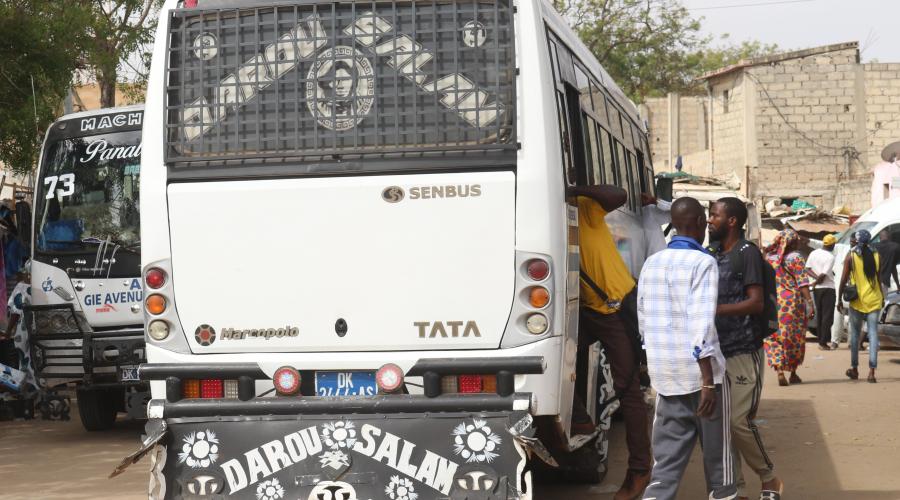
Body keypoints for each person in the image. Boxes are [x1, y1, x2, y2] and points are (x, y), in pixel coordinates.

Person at [638, 197, 735, 500]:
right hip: (704, 379)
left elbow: (643, 321)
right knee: (720, 466)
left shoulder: (651, 263)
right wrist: (707, 381)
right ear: (697, 224)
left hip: (666, 376)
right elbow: (702, 324)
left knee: (665, 466)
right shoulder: (703, 262)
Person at [569, 184, 651, 500]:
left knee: (627, 389)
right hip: (585, 309)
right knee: (552, 362)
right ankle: (581, 420)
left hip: (616, 307)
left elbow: (618, 195)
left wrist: (571, 188)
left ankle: (640, 469)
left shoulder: (583, 206)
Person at [708, 197, 784, 500]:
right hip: (715, 352)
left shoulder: (746, 253)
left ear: (732, 221)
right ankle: (735, 489)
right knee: (721, 426)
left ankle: (769, 477)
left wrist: (715, 309)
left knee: (738, 421)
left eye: (714, 215)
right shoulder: (713, 253)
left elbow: (756, 302)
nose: (710, 220)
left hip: (743, 350)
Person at [763, 229, 813, 387]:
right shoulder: (796, 257)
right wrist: (810, 303)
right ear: (792, 242)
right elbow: (802, 282)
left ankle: (779, 369)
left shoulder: (769, 258)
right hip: (792, 303)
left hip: (773, 301)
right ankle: (792, 372)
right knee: (793, 337)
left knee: (774, 336)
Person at [838, 229, 883, 383]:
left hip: (857, 301)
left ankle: (855, 369)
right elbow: (879, 278)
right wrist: (882, 298)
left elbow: (843, 280)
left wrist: (838, 299)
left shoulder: (851, 256)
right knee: (873, 334)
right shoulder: (877, 255)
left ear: (857, 241)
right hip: (874, 299)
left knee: (856, 335)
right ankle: (871, 372)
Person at [806, 234, 838, 350]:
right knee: (827, 316)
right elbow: (823, 277)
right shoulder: (830, 257)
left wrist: (814, 280)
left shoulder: (814, 253)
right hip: (828, 288)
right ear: (833, 244)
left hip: (817, 290)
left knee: (820, 315)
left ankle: (821, 340)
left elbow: (807, 269)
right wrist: (816, 281)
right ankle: (823, 342)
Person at [873, 229, 900, 295]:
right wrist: (898, 285)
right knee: (882, 302)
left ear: (879, 237)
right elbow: (893, 269)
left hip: (872, 281)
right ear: (889, 237)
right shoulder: (895, 247)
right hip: (884, 282)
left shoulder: (873, 247)